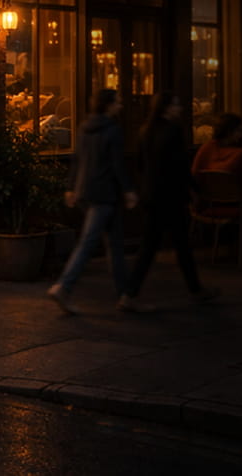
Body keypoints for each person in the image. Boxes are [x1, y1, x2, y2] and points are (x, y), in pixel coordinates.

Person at [119, 93, 220, 311]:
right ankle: (194, 290)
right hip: (171, 196)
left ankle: (131, 293)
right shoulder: (173, 131)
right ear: (166, 108)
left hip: (152, 195)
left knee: (151, 246)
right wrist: (195, 189)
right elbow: (180, 166)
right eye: (176, 104)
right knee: (180, 245)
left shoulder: (144, 131)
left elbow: (139, 164)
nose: (180, 108)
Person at [48, 89, 136, 315]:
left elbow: (76, 159)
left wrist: (70, 187)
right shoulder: (113, 130)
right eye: (117, 102)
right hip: (105, 193)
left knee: (114, 244)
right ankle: (64, 286)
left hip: (86, 191)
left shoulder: (84, 127)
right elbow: (117, 164)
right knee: (89, 242)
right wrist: (128, 190)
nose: (121, 105)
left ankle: (125, 294)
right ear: (108, 105)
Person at [191, 113, 242, 265]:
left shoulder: (205, 149)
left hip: (205, 205)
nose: (241, 135)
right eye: (239, 131)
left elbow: (194, 175)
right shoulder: (241, 155)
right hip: (236, 207)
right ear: (231, 132)